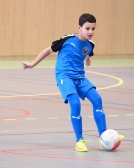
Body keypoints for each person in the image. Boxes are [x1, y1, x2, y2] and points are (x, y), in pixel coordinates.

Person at [22, 13, 124, 152]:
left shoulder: (90, 45)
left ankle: (104, 136)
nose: (90, 32)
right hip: (65, 76)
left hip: (80, 78)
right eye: (87, 28)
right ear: (79, 28)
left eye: (93, 29)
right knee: (75, 104)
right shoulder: (67, 40)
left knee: (97, 99)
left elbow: (88, 52)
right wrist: (32, 64)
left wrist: (87, 59)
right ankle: (79, 141)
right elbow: (48, 50)